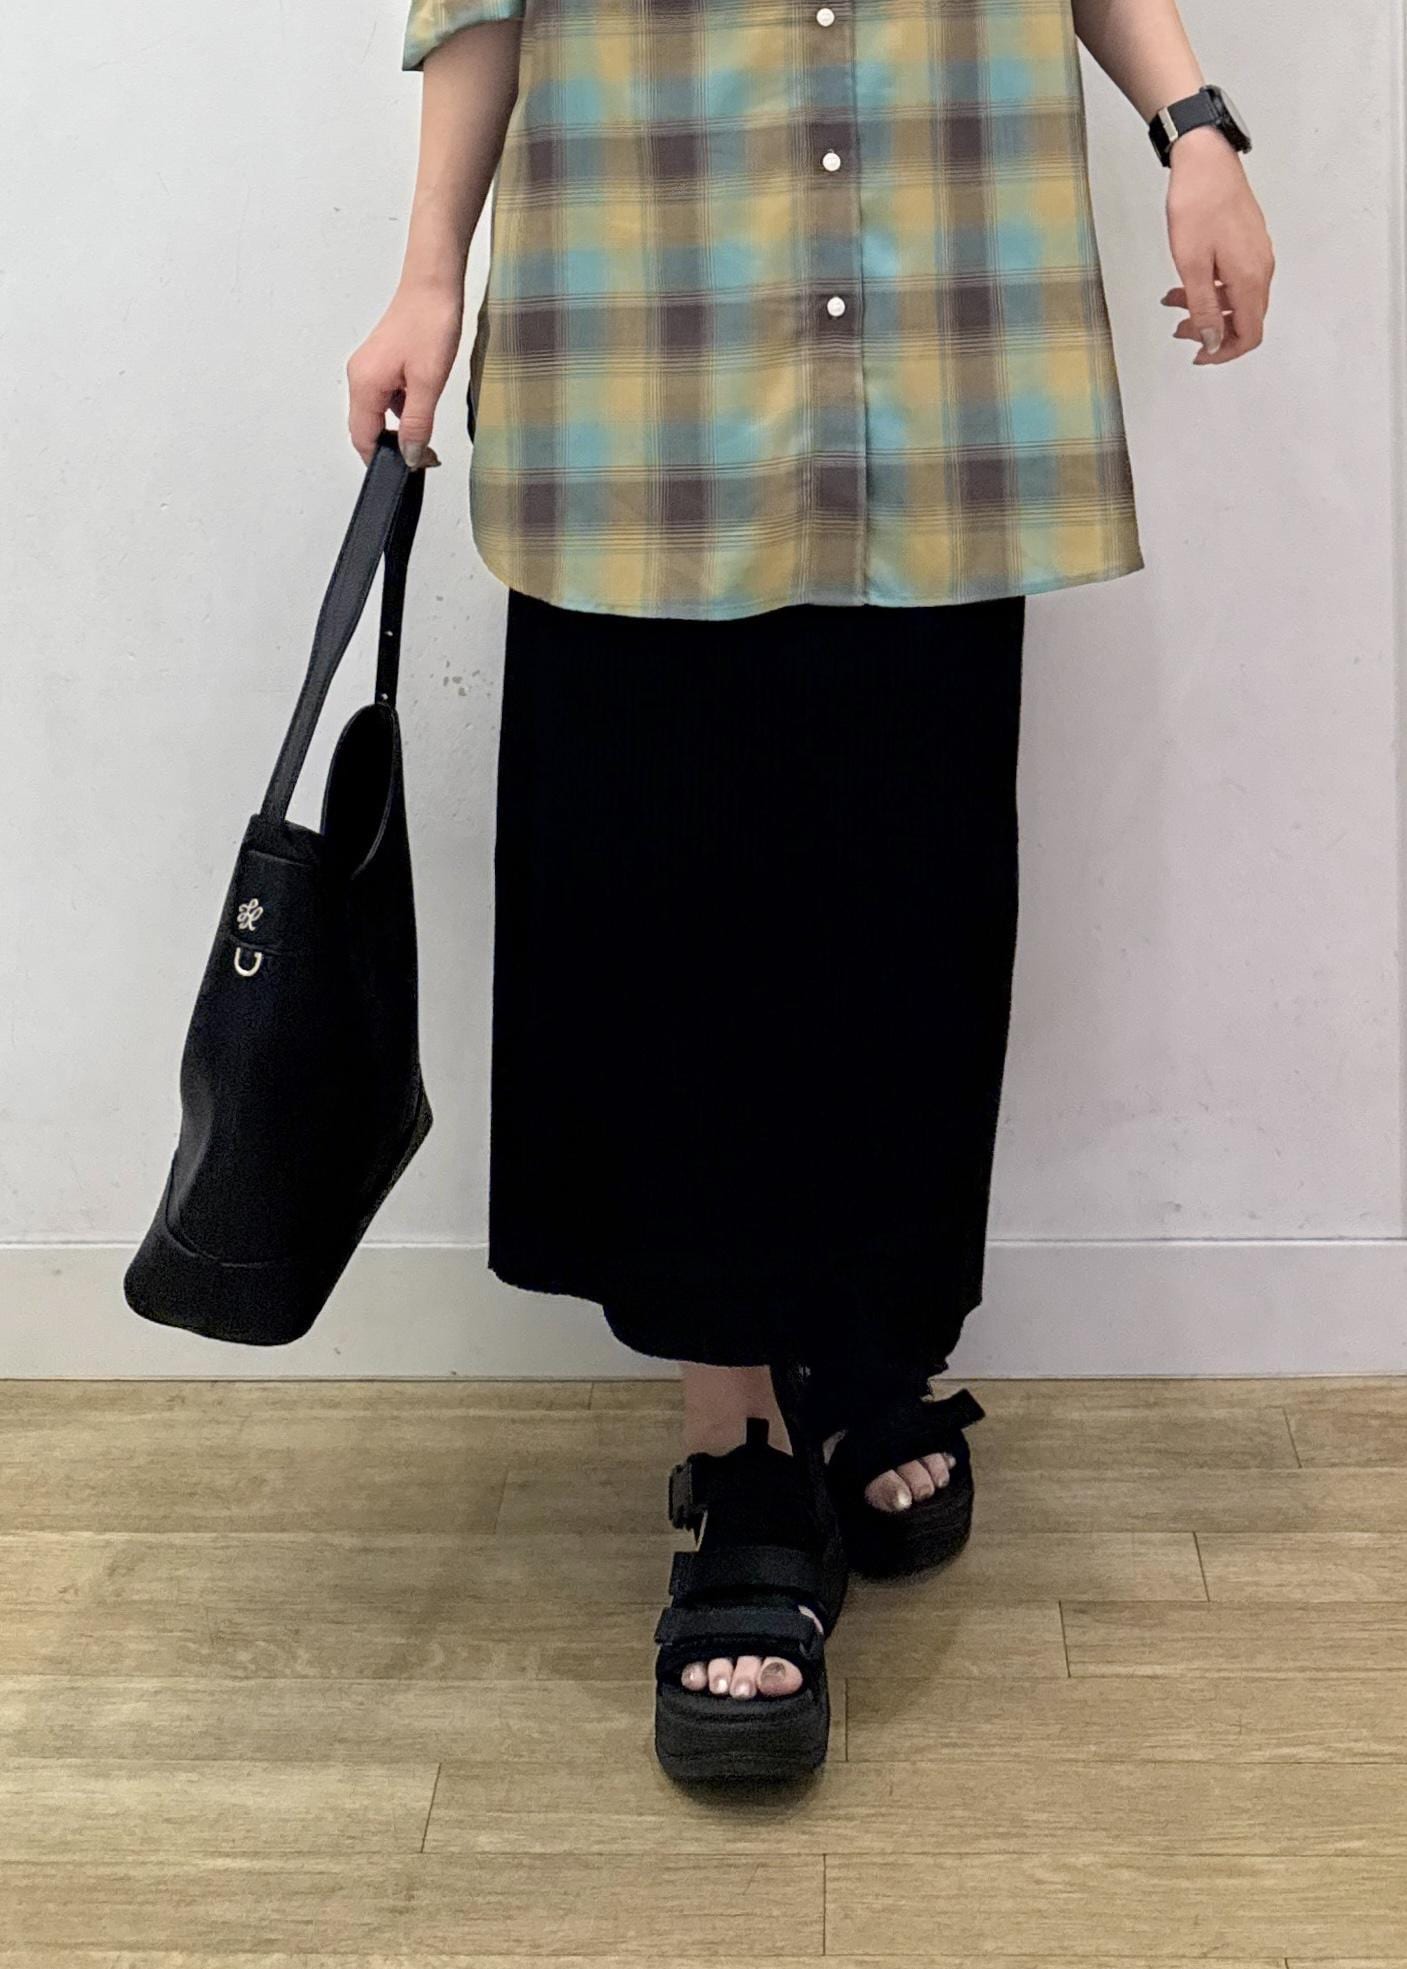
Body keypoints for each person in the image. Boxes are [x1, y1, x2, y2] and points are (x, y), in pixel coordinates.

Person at [347, 0, 1274, 1782]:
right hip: (648, 335)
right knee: (671, 904)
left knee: (903, 884)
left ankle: (852, 1353)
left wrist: (1196, 126)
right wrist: (426, 275)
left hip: (943, 320)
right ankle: (740, 1442)